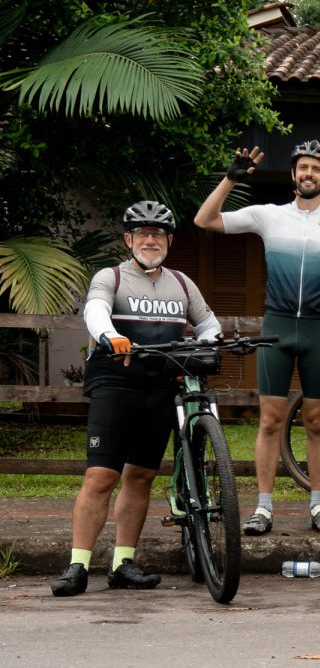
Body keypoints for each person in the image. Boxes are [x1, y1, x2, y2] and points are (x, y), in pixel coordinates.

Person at [194, 141, 320, 535]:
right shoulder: (268, 215)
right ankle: (263, 507)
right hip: (277, 327)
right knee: (270, 421)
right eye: (303, 167)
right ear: (293, 174)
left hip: (318, 330)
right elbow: (205, 220)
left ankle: (319, 505)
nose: (309, 174)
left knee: (318, 421)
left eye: (317, 169)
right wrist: (230, 180)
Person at [51, 202, 222, 596]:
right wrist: (110, 335)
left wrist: (208, 343)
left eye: (157, 234)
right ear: (128, 239)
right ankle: (78, 565)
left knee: (141, 476)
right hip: (115, 382)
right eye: (142, 233)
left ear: (169, 241)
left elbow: (208, 323)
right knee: (101, 475)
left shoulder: (182, 283)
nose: (150, 240)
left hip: (161, 387)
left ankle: (122, 563)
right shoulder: (110, 277)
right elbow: (95, 310)